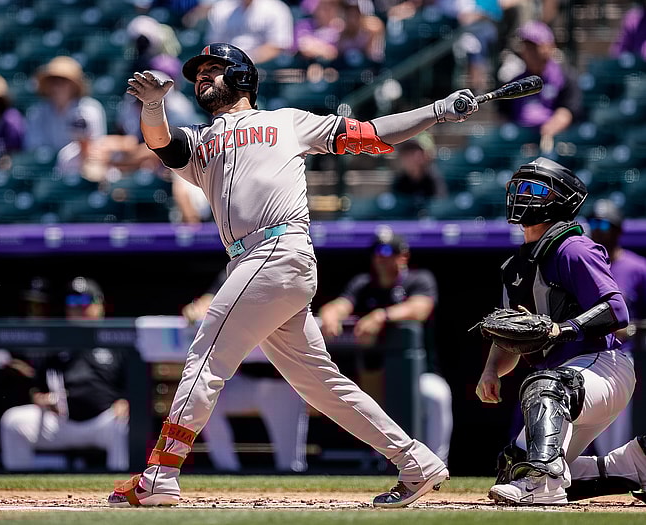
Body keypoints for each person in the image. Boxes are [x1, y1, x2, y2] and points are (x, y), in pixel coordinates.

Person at [109, 42, 478, 508]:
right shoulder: (202, 142)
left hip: (277, 248)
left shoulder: (286, 121)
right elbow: (160, 141)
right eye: (197, 72)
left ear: (243, 78)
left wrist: (437, 111)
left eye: (213, 70)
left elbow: (371, 133)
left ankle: (161, 472)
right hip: (255, 261)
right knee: (320, 383)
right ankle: (416, 462)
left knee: (205, 355)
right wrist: (154, 104)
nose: (202, 77)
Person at [475, 157, 635, 505]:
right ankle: (635, 465)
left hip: (602, 366)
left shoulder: (573, 248)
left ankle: (544, 486)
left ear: (560, 199)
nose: (520, 194)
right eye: (516, 186)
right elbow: (509, 334)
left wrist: (562, 329)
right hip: (562, 385)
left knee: (543, 385)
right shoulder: (514, 267)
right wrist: (491, 369)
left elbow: (616, 309)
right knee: (514, 467)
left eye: (533, 188)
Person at [319, 230, 453, 464]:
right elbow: (338, 305)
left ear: (403, 255)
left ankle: (437, 462)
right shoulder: (363, 284)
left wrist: (381, 315)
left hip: (419, 374)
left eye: (387, 251)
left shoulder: (418, 279)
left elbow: (421, 308)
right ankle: (382, 462)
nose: (380, 257)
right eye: (376, 252)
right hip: (375, 376)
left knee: (437, 395)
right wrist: (330, 315)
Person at [183, 272, 309, 472]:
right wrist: (196, 308)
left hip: (283, 383)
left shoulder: (284, 270)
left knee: (290, 464)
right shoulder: (238, 269)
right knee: (204, 399)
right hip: (246, 381)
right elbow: (207, 302)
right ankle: (227, 470)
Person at [0, 277, 129, 472]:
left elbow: (134, 381)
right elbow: (37, 385)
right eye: (73, 302)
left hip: (104, 420)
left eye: (85, 301)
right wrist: (39, 398)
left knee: (125, 424)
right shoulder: (56, 340)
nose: (79, 307)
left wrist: (126, 400)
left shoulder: (116, 338)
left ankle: (121, 488)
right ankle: (20, 491)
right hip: (61, 421)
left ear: (99, 304)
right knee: (13, 421)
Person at [584, 199, 646, 455]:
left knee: (617, 435)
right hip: (587, 354)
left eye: (603, 223)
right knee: (588, 428)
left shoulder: (638, 267)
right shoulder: (584, 264)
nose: (596, 229)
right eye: (593, 223)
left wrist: (631, 328)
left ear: (618, 229)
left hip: (624, 357)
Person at [496, 20, 582, 154]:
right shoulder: (515, 82)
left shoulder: (564, 77)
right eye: (526, 46)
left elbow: (568, 110)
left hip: (552, 139)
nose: (529, 52)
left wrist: (547, 132)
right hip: (520, 140)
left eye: (534, 46)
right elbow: (503, 116)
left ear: (549, 47)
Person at [25, 56, 106, 153]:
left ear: (74, 85)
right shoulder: (37, 111)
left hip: (79, 165)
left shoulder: (90, 110)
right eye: (52, 81)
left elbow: (93, 147)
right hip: (46, 167)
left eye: (63, 81)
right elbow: (33, 146)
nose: (56, 86)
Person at [205, 0, 295, 65]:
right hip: (227, 63)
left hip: (264, 67)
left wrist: (245, 60)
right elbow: (214, 44)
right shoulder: (221, 8)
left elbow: (277, 46)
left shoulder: (277, 8)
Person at [389, 134, 447, 212]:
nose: (409, 157)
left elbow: (440, 207)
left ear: (426, 154)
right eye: (406, 152)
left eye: (414, 151)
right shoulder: (399, 180)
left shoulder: (435, 179)